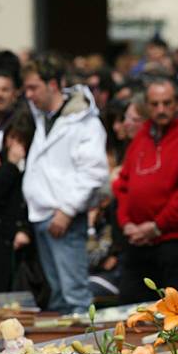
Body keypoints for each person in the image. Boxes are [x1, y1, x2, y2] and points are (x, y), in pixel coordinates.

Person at [113, 77, 178, 304]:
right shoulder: (144, 133)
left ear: (177, 102)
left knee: (176, 318)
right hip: (138, 242)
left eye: (167, 103)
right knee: (131, 313)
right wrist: (126, 222)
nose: (161, 110)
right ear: (146, 105)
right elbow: (124, 184)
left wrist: (156, 226)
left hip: (175, 243)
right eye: (155, 104)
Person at [22, 56, 109, 314]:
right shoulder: (41, 117)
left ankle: (86, 351)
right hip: (42, 213)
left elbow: (94, 172)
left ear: (52, 84)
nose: (28, 94)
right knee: (58, 296)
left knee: (74, 295)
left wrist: (68, 210)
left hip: (64, 216)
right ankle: (60, 353)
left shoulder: (86, 122)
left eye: (33, 87)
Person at [0, 116, 34, 293]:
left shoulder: (35, 167)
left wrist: (26, 230)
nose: (15, 145)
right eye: (12, 138)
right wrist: (10, 166)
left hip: (21, 245)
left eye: (21, 140)